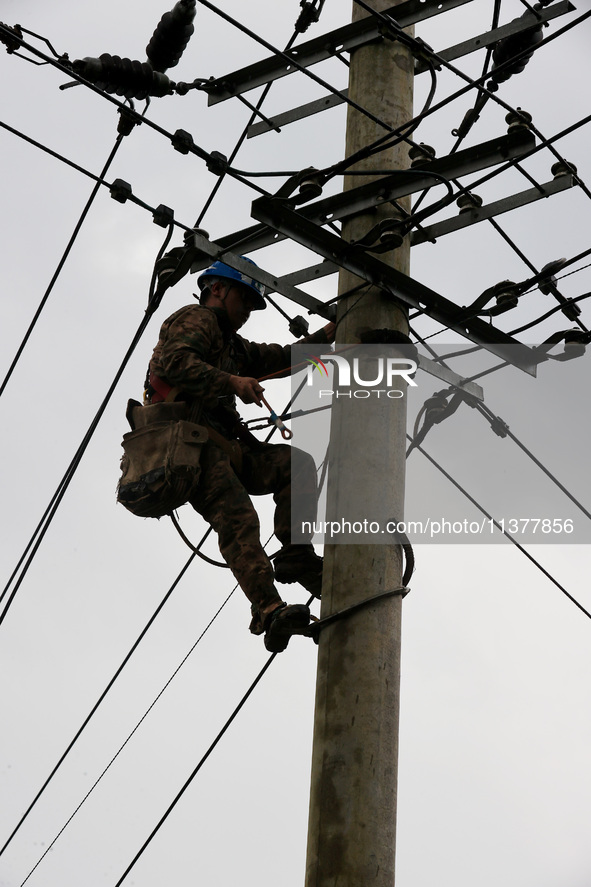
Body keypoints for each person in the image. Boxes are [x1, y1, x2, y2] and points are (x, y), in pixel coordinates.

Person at [145, 257, 335, 653]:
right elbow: (176, 362)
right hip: (190, 445)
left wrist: (334, 331)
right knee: (238, 519)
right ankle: (268, 608)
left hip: (224, 445)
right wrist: (231, 381)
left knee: (293, 464)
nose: (248, 311)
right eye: (245, 300)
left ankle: (297, 554)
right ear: (217, 289)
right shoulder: (197, 318)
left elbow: (281, 359)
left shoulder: (232, 344)